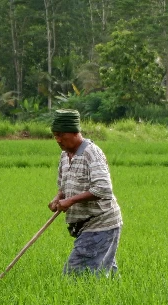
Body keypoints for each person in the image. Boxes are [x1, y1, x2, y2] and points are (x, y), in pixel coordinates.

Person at [48, 109, 122, 276]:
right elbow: (64, 187)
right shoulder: (64, 156)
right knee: (103, 275)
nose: (58, 139)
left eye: (61, 135)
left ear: (74, 132)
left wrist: (71, 201)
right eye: (55, 135)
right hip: (85, 225)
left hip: (101, 223)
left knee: (76, 275)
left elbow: (103, 189)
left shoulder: (91, 153)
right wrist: (58, 199)